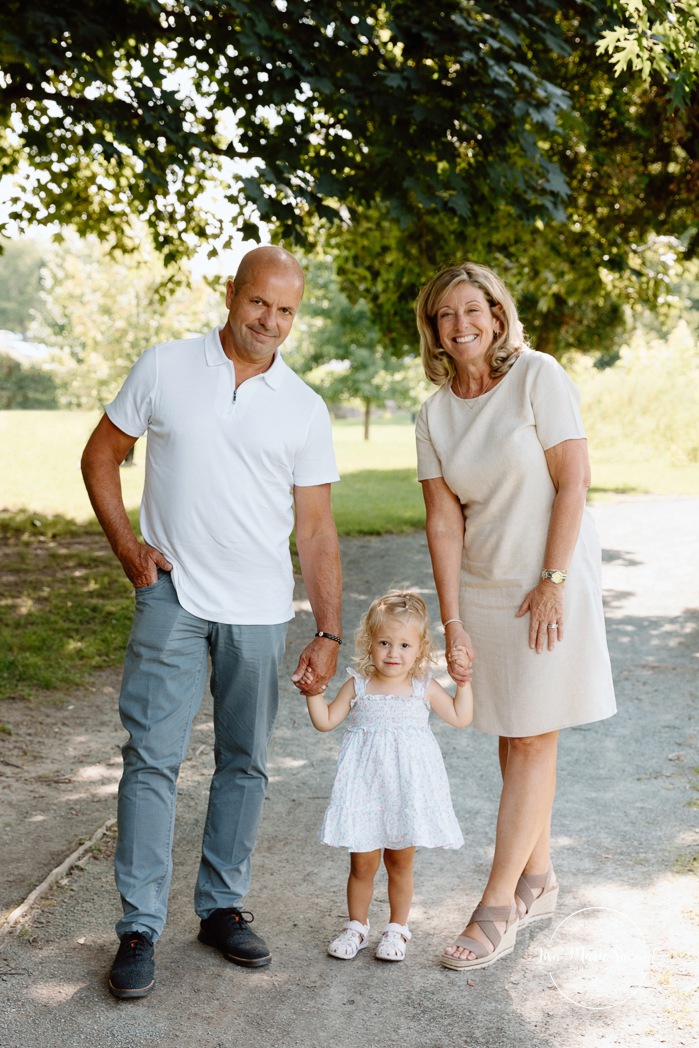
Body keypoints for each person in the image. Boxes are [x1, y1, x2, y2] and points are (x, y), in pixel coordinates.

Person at [81, 245, 343, 999]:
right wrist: (126, 545)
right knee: (151, 760)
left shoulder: (303, 406)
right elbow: (101, 456)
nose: (270, 321)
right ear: (231, 294)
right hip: (172, 597)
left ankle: (221, 908)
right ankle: (139, 926)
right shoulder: (165, 366)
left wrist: (326, 631)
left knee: (245, 762)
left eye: (286, 310)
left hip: (260, 609)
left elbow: (317, 531)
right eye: (259, 303)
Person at [414, 262, 616, 971]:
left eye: (474, 309)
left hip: (546, 584)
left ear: (497, 316)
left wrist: (554, 579)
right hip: (483, 588)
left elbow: (573, 480)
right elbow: (443, 522)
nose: (461, 324)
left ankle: (496, 905)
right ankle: (539, 878)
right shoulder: (433, 413)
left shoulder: (538, 377)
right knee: (508, 735)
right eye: (446, 315)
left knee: (532, 738)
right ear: (432, 328)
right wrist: (452, 620)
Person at [304, 590, 472, 963]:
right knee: (361, 862)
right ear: (370, 643)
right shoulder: (358, 685)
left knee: (400, 862)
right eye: (384, 643)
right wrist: (313, 692)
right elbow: (325, 721)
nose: (393, 653)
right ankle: (356, 926)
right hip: (364, 788)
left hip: (405, 791)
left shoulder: (422, 687)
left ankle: (396, 928)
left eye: (404, 645)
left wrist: (464, 683)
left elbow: (461, 717)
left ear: (420, 648)